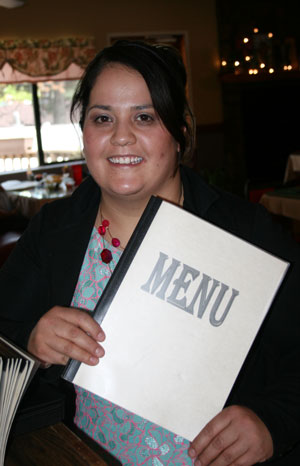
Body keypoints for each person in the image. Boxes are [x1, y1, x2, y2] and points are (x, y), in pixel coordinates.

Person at [0, 40, 299, 466]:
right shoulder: (54, 229)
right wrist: (31, 338)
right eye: (102, 118)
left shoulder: (248, 234)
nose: (121, 136)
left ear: (180, 135)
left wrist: (273, 421)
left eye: (145, 116)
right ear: (84, 132)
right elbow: (4, 328)